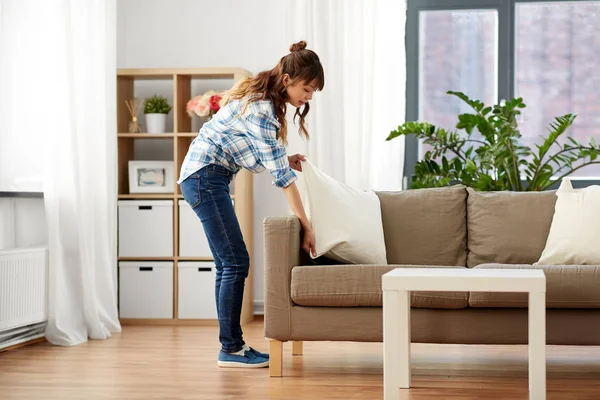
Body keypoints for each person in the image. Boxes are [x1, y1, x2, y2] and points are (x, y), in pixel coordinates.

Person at [177, 40, 324, 368]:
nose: (309, 97)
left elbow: (258, 153)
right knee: (235, 262)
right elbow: (283, 179)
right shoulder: (262, 108)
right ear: (288, 80)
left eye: (314, 92)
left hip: (204, 176)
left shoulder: (263, 100)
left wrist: (284, 158)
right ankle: (231, 349)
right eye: (308, 88)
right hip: (205, 177)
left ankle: (231, 346)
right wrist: (306, 224)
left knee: (228, 264)